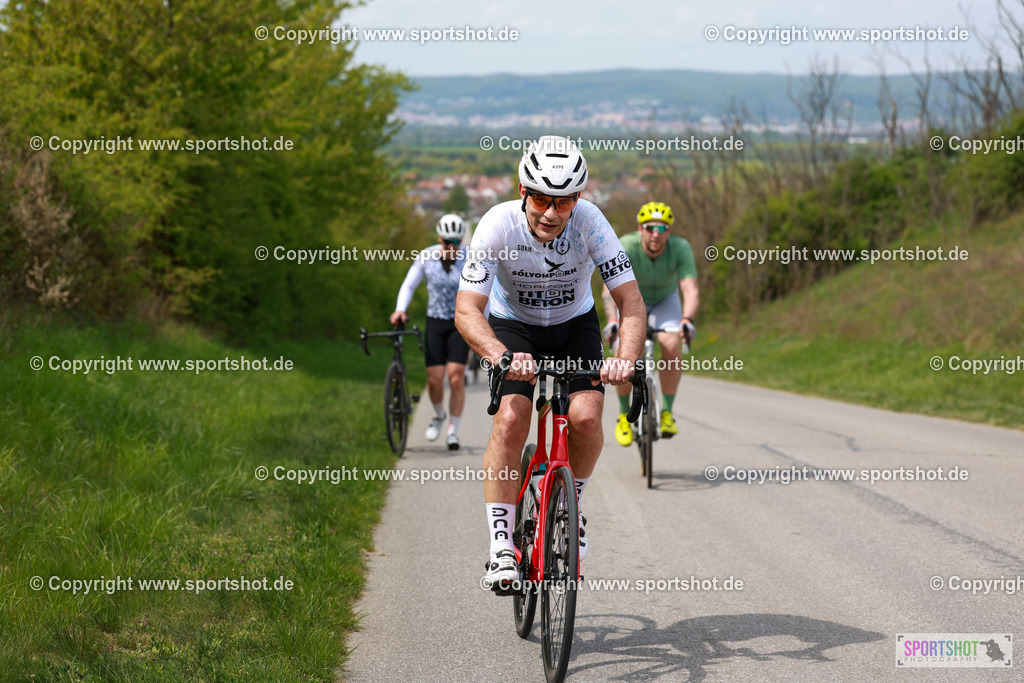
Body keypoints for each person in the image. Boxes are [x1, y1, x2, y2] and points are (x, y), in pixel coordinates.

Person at [455, 136, 645, 591]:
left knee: (585, 415)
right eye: (541, 198)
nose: (551, 212)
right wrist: (500, 355)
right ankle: (502, 546)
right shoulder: (497, 225)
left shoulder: (591, 223)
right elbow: (467, 310)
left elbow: (631, 303)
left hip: (572, 325)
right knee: (513, 416)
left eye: (563, 201)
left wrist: (624, 360)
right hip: (512, 328)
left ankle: (572, 504)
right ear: (523, 192)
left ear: (578, 198)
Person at [601, 201, 699, 446]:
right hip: (633, 303)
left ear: (669, 231)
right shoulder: (626, 244)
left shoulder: (680, 248)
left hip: (666, 301)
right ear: (640, 228)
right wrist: (613, 319)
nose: (656, 233)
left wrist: (686, 319)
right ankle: (624, 416)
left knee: (671, 343)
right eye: (650, 227)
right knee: (622, 355)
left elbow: (690, 288)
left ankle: (666, 412)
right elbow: (608, 289)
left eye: (662, 228)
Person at [390, 214, 471, 450]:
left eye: (456, 241)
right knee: (434, 380)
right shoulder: (426, 256)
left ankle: (453, 431)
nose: (451, 246)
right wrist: (400, 310)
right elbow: (409, 284)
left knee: (456, 377)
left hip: (459, 323)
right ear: (439, 239)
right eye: (447, 241)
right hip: (435, 323)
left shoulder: (469, 258)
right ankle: (438, 415)